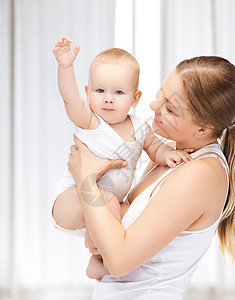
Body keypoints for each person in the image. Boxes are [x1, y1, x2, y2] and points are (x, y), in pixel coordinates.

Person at [64, 55, 235, 299]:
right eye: (161, 94)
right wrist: (102, 232)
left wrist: (86, 179)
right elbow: (121, 236)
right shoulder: (169, 152)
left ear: (202, 129)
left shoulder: (200, 173)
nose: (153, 106)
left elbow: (119, 261)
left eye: (170, 108)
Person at [51, 37, 191, 279]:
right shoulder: (91, 122)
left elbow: (156, 149)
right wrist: (65, 67)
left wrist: (170, 154)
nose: (108, 98)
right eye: (100, 90)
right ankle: (100, 253)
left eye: (118, 92)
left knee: (131, 213)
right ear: (88, 93)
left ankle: (97, 256)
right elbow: (70, 99)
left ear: (135, 98)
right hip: (71, 200)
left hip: (106, 206)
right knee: (107, 201)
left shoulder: (140, 128)